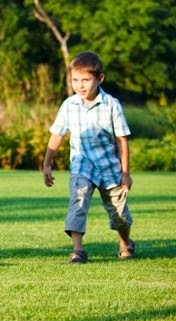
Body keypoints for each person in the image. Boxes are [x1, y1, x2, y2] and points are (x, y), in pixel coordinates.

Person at [43, 51, 135, 264]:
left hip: (110, 167)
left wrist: (125, 173)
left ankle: (125, 242)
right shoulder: (69, 105)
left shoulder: (111, 105)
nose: (80, 85)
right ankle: (78, 250)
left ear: (99, 78)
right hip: (82, 164)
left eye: (85, 80)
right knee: (78, 201)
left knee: (119, 215)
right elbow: (57, 135)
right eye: (75, 80)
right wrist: (47, 163)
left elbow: (122, 141)